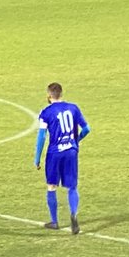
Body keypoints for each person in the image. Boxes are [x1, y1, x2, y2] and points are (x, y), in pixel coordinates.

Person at [34, 82, 92, 235]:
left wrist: (37, 158)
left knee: (51, 186)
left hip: (55, 153)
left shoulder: (46, 113)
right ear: (61, 94)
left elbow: (41, 136)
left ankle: (54, 221)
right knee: (72, 186)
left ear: (49, 95)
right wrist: (76, 140)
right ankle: (73, 214)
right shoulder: (73, 108)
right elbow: (87, 129)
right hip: (71, 151)